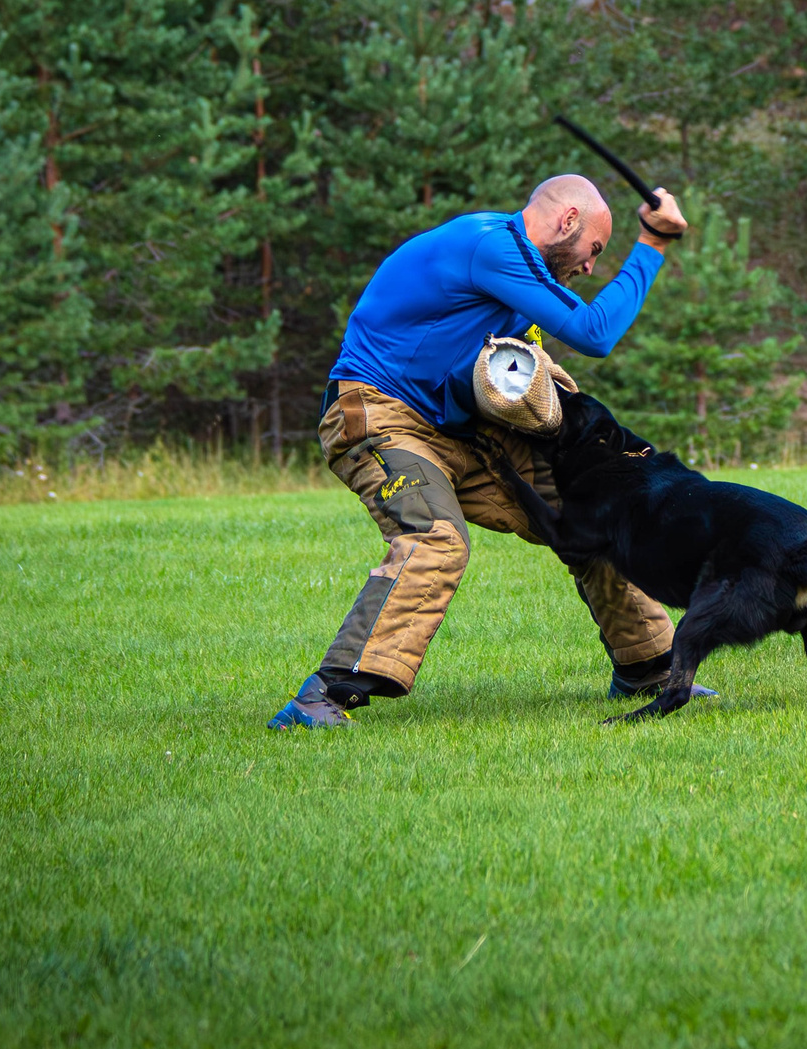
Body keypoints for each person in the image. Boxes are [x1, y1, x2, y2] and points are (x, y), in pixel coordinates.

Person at [268, 173, 693, 729]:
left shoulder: (521, 274)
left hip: (465, 431)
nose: (590, 267)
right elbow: (594, 332)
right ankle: (320, 696)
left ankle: (650, 667)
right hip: (380, 415)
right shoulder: (490, 246)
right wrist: (652, 244)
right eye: (593, 250)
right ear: (567, 222)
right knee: (435, 538)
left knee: (591, 514)